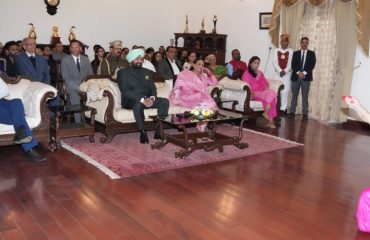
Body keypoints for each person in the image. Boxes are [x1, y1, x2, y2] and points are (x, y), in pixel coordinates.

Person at [117, 49, 169, 144]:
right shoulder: (123, 72)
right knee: (138, 105)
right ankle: (143, 132)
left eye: (141, 59)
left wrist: (152, 98)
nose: (139, 61)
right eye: (137, 59)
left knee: (165, 102)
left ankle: (158, 129)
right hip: (131, 100)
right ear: (131, 60)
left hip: (147, 99)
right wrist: (142, 100)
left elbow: (152, 88)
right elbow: (125, 92)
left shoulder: (147, 72)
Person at [0, 76, 46, 162]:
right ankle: (29, 150)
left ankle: (21, 135)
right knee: (17, 115)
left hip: (2, 102)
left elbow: (5, 90)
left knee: (16, 102)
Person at [169, 58, 218, 132]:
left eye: (202, 65)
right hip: (188, 96)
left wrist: (210, 72)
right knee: (204, 105)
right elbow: (184, 88)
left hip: (201, 97)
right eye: (198, 64)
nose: (201, 66)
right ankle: (201, 129)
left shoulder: (203, 76)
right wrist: (197, 93)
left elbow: (215, 83)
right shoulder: (185, 73)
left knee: (212, 108)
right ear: (193, 65)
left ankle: (201, 126)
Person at [61, 40, 93, 123]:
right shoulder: (65, 60)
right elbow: (66, 79)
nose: (75, 48)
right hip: (71, 86)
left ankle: (91, 120)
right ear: (70, 49)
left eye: (77, 47)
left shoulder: (86, 59)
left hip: (85, 85)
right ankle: (78, 122)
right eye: (73, 47)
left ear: (80, 48)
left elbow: (90, 75)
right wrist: (79, 88)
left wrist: (88, 86)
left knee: (96, 92)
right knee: (75, 94)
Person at [241, 56, 277, 128]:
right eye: (255, 63)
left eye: (258, 63)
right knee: (272, 95)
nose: (256, 65)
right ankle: (270, 120)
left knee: (271, 94)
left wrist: (266, 89)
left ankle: (267, 115)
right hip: (254, 94)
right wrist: (251, 94)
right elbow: (247, 86)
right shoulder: (246, 74)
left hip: (262, 92)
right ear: (250, 63)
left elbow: (265, 83)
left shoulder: (260, 73)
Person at [289, 37, 316, 121]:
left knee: (305, 96)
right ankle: (292, 112)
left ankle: (305, 114)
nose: (304, 44)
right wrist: (298, 73)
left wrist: (303, 73)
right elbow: (293, 65)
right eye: (303, 42)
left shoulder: (312, 53)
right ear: (300, 43)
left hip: (306, 78)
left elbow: (312, 65)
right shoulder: (295, 53)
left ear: (308, 44)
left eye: (306, 42)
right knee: (294, 96)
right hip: (295, 77)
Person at [272, 33, 293, 116]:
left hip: (287, 74)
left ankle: (283, 109)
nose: (284, 43)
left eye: (286, 41)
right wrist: (280, 70)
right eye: (282, 41)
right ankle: (276, 107)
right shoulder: (276, 50)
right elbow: (274, 62)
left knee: (285, 91)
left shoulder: (291, 51)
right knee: (277, 90)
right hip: (278, 74)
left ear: (288, 42)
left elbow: (291, 62)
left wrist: (285, 71)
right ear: (280, 42)